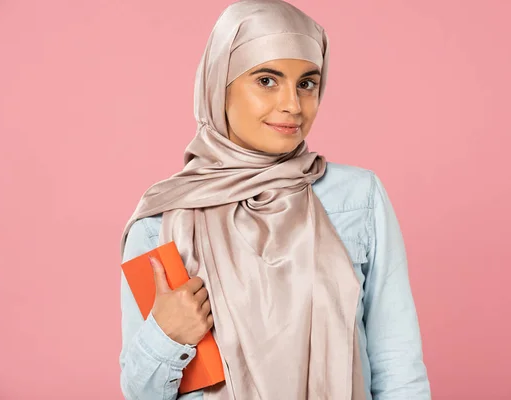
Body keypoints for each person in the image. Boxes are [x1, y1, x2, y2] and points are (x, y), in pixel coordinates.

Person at [118, 0, 431, 398]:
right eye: (267, 80)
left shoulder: (358, 198)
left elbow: (397, 363)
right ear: (220, 82)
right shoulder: (160, 221)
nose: (292, 105)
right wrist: (166, 335)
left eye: (307, 83)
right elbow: (139, 393)